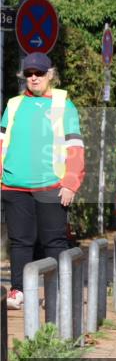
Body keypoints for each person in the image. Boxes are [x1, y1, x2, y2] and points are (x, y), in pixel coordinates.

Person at [0, 53, 85, 310]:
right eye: (28, 73)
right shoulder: (14, 105)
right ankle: (18, 290)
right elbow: (1, 142)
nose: (33, 78)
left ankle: (55, 291)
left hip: (52, 186)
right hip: (15, 185)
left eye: (38, 73)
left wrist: (71, 182)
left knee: (54, 242)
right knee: (20, 241)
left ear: (50, 74)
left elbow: (75, 146)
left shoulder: (63, 105)